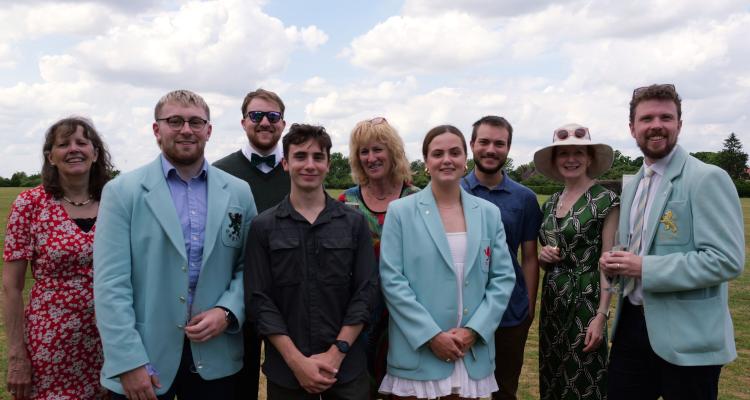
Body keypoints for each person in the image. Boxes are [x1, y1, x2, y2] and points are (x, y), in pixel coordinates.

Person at [94, 90, 257, 399]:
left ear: (208, 131)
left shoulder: (238, 192)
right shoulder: (122, 193)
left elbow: (250, 266)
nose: (186, 129)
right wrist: (128, 361)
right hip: (145, 360)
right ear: (157, 129)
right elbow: (110, 285)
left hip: (216, 357)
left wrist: (227, 311)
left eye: (196, 122)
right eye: (175, 121)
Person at [600, 84, 744, 400]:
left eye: (666, 117)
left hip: (689, 340)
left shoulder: (706, 178)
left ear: (679, 124)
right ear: (632, 128)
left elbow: (726, 259)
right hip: (631, 332)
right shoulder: (633, 184)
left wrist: (643, 267)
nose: (656, 125)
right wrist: (616, 260)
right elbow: (636, 250)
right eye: (647, 118)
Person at [378, 125, 516, 400]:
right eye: (437, 153)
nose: (447, 160)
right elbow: (392, 280)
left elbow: (503, 279)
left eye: (455, 152)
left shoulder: (488, 213)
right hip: (418, 353)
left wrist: (474, 331)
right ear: (426, 162)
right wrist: (432, 336)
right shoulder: (400, 212)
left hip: (470, 354)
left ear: (465, 159)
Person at [245, 123, 378, 400]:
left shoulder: (354, 224)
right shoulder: (263, 227)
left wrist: (336, 352)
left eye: (318, 157)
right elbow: (259, 299)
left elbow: (365, 292)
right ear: (285, 163)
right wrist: (296, 361)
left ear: (329, 164)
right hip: (287, 371)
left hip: (347, 368)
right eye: (300, 156)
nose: (309, 165)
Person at [3, 117, 113, 400]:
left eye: (82, 142)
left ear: (96, 152)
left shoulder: (117, 201)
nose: (73, 149)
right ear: (50, 156)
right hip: (50, 346)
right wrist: (16, 356)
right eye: (63, 144)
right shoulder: (30, 204)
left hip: (111, 341)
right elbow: (11, 288)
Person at [213, 88, 290, 399]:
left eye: (273, 116)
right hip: (235, 294)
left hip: (287, 295)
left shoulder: (298, 169)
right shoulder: (219, 172)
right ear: (244, 122)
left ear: (283, 124)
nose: (265, 123)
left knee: (287, 381)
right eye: (256, 116)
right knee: (237, 383)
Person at [534, 123, 619, 400]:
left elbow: (607, 262)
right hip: (553, 300)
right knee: (553, 373)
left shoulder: (606, 200)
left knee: (583, 376)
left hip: (586, 300)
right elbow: (547, 254)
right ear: (555, 161)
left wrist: (601, 316)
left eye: (578, 152)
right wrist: (544, 257)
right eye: (563, 153)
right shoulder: (550, 202)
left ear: (590, 158)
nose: (571, 159)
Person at [461, 116, 542, 400]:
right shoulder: (452, 191)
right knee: (460, 391)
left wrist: (529, 308)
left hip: (510, 313)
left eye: (499, 143)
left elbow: (530, 257)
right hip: (463, 312)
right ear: (472, 145)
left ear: (508, 148)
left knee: (505, 390)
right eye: (484, 142)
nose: (491, 149)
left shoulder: (525, 198)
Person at [337, 117, 420, 397]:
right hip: (357, 315)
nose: (371, 158)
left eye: (377, 149)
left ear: (393, 152)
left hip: (405, 314)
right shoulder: (345, 203)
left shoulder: (417, 200)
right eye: (363, 151)